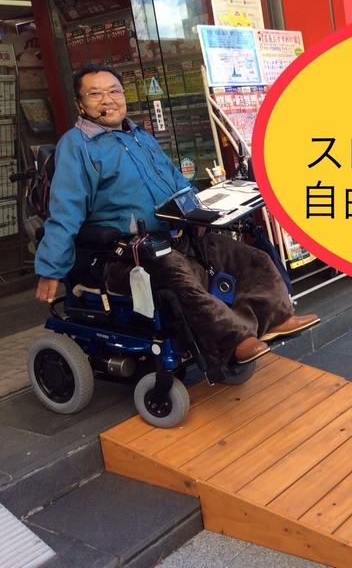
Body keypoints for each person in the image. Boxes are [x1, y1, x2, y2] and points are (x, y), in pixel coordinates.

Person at [34, 64, 318, 367]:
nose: (107, 100)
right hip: (125, 255)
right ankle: (233, 340)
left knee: (247, 256)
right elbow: (65, 212)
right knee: (175, 270)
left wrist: (198, 213)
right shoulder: (76, 146)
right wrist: (51, 269)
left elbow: (177, 183)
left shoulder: (139, 136)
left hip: (175, 237)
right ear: (80, 104)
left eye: (114, 91)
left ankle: (275, 318)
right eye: (95, 94)